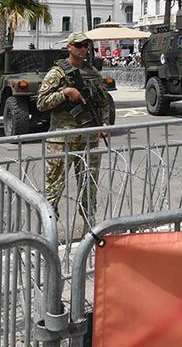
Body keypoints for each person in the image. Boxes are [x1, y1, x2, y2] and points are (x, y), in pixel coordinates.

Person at [36, 32, 114, 228]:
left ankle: (89, 225)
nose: (82, 49)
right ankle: (49, 228)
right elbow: (41, 103)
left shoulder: (93, 73)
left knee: (89, 186)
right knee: (53, 188)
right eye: (78, 45)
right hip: (62, 139)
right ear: (69, 47)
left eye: (85, 46)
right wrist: (65, 93)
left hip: (89, 137)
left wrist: (104, 123)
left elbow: (104, 102)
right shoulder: (57, 74)